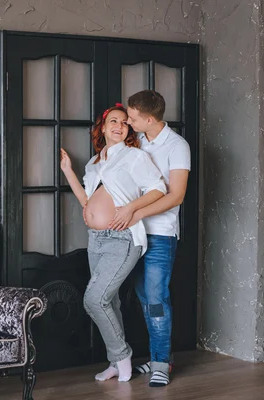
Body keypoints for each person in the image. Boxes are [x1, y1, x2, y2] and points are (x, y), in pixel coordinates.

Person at [60, 103, 166, 382]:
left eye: (124, 122)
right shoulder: (95, 163)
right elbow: (86, 202)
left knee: (95, 299)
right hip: (96, 240)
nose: (119, 126)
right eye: (113, 122)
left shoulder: (134, 156)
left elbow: (159, 189)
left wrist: (130, 208)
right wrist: (68, 171)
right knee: (111, 302)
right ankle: (115, 363)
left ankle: (122, 355)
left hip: (123, 237)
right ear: (103, 128)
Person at [109, 90, 191, 387]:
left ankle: (159, 364)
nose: (127, 122)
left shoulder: (177, 146)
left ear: (149, 118)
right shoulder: (137, 142)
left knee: (156, 300)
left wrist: (136, 212)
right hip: (133, 234)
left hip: (160, 234)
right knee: (144, 298)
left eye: (131, 117)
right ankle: (162, 358)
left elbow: (176, 195)